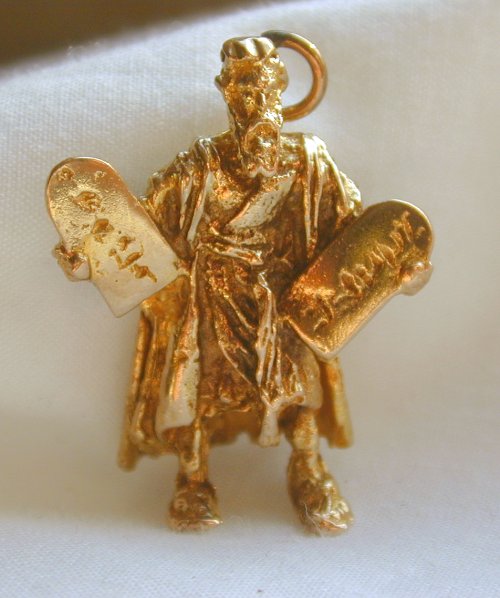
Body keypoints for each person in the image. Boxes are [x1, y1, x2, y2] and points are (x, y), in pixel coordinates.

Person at [58, 35, 363, 533]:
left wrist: (397, 268)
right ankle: (194, 480)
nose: (255, 103)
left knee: (298, 391)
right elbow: (143, 227)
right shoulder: (199, 165)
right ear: (227, 95)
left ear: (280, 92)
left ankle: (308, 470)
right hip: (213, 297)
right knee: (197, 392)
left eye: (263, 91)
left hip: (285, 297)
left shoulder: (309, 161)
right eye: (244, 92)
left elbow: (353, 227)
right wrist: (88, 261)